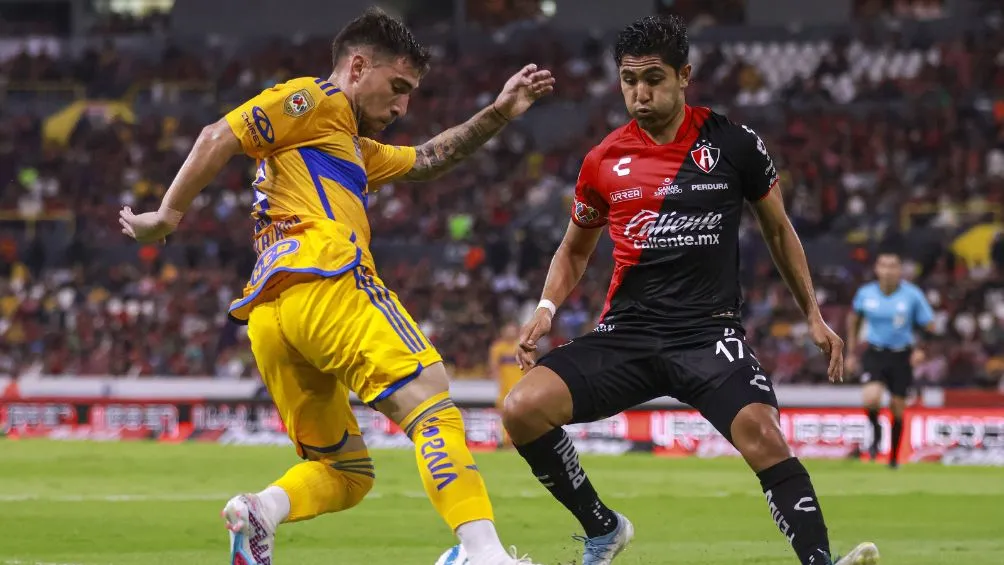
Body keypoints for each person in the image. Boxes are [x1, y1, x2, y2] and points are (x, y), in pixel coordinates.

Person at [118, 9, 553, 565]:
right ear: (356, 66)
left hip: (272, 316)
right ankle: (483, 554)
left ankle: (261, 512)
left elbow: (427, 158)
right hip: (327, 278)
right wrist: (166, 217)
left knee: (345, 472)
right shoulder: (314, 100)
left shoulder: (345, 145)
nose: (402, 107)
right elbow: (218, 135)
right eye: (398, 88)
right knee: (433, 403)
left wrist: (498, 112)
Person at [501, 15, 879, 565]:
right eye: (629, 80)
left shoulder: (734, 144)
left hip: (707, 335)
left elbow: (778, 230)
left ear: (685, 76)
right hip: (627, 335)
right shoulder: (604, 160)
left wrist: (813, 316)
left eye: (653, 78)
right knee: (520, 409)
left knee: (764, 435)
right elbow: (574, 249)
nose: (639, 93)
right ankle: (604, 528)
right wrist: (545, 307)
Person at [846, 250, 935, 468]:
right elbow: (854, 319)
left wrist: (921, 349)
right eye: (883, 265)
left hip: (902, 355)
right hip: (875, 352)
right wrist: (851, 351)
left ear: (899, 270)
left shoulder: (912, 295)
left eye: (893, 266)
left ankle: (894, 458)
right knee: (871, 399)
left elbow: (930, 326)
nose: (888, 270)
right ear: (877, 269)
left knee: (897, 407)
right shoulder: (866, 294)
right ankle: (876, 432)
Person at [489, 322, 523, 447]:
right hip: (504, 390)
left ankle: (519, 441)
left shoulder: (523, 347)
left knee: (520, 416)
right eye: (508, 330)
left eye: (512, 330)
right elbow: (494, 367)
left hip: (520, 388)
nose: (510, 333)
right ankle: (505, 442)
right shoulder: (497, 348)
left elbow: (529, 366)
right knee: (504, 417)